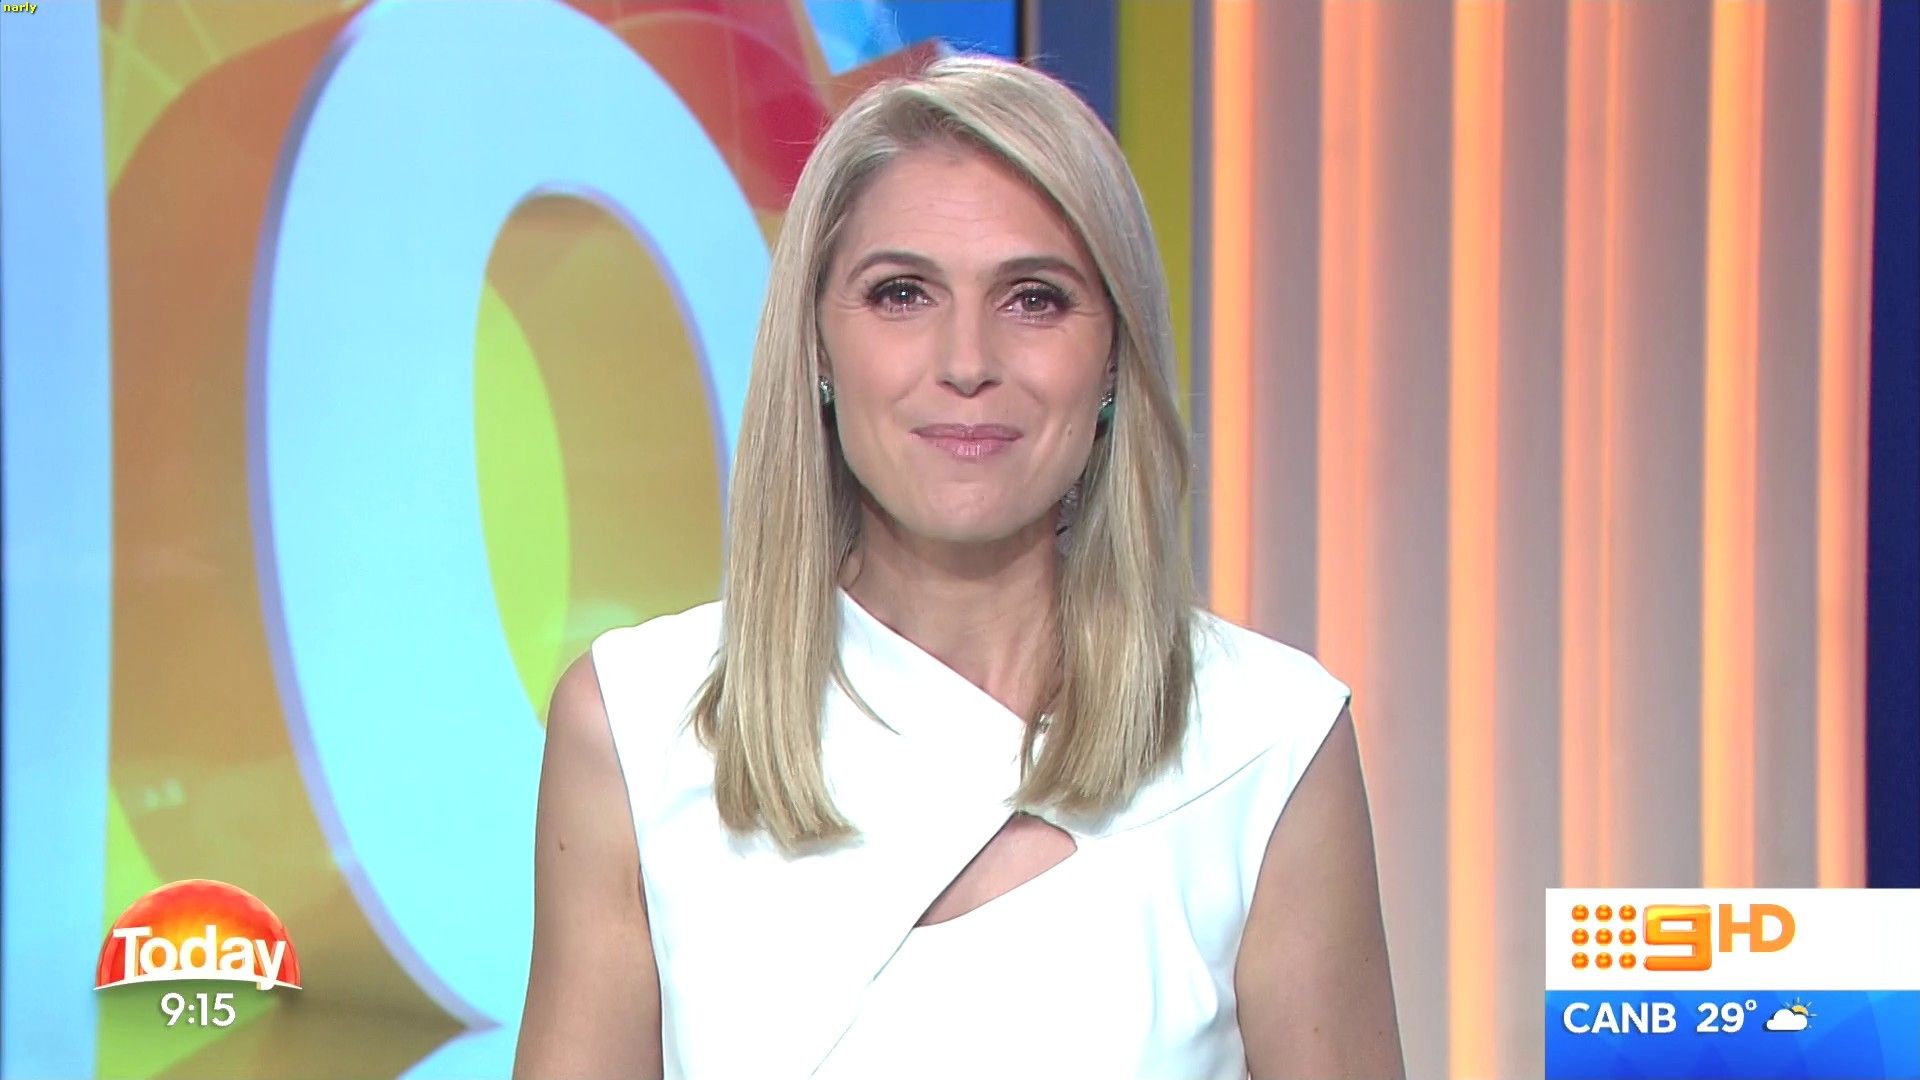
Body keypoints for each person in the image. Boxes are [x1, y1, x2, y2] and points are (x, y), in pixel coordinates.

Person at [513, 54, 1403, 1080]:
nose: (967, 362)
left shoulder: (1267, 742)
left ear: (1114, 356)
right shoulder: (639, 725)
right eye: (902, 294)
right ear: (816, 346)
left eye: (1034, 299)